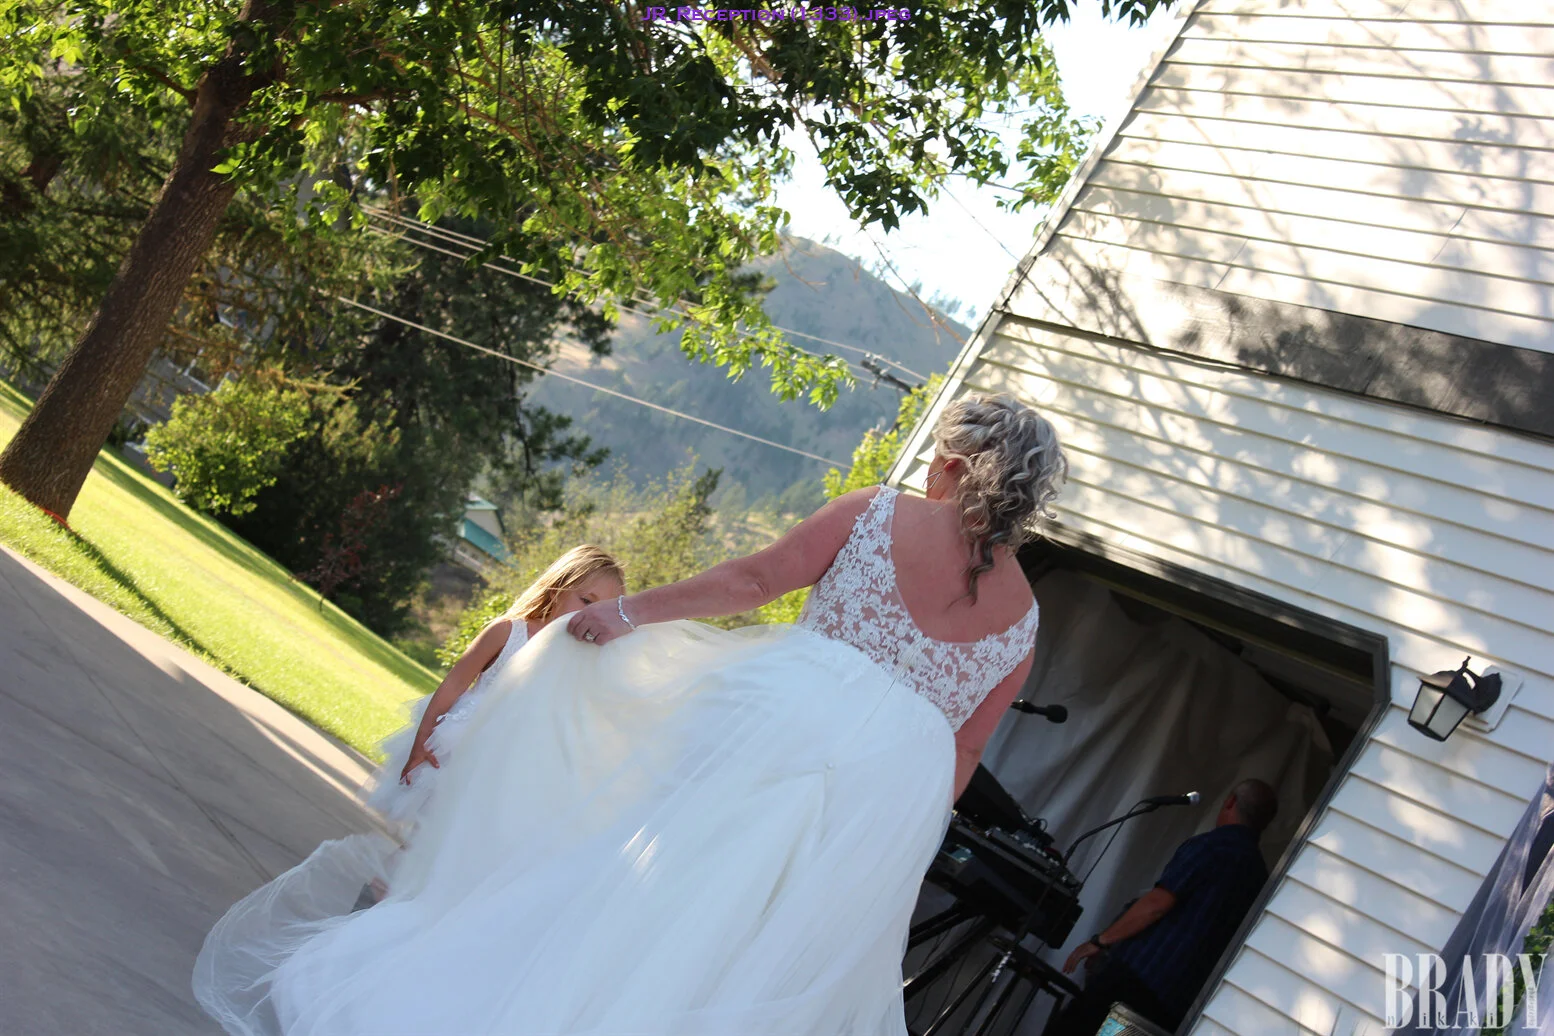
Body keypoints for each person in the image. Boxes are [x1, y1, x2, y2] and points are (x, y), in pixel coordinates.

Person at [193, 392, 1068, 1036]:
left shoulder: (880, 513)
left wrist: (627, 611)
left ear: (959, 464)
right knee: (740, 946)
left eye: (938, 458)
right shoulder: (1024, 622)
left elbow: (754, 581)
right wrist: (890, 854)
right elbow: (965, 751)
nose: (928, 471)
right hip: (885, 796)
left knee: (638, 878)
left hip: (783, 724)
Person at [348, 545, 625, 907]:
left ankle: (403, 912)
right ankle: (370, 903)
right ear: (558, 587)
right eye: (586, 600)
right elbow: (452, 686)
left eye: (601, 609)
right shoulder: (509, 633)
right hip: (461, 756)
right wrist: (421, 741)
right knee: (426, 841)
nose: (589, 613)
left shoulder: (582, 659)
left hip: (512, 773)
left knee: (457, 854)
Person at [1044, 779, 1279, 1036]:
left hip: (1136, 980)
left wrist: (1102, 941)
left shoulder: (1211, 846)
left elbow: (1157, 904)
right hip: (1176, 1005)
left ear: (1230, 802)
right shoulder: (1259, 876)